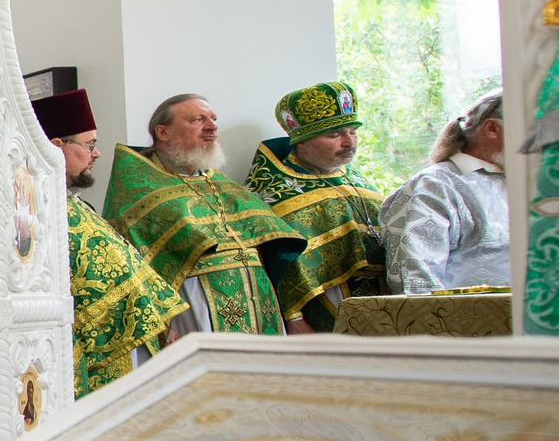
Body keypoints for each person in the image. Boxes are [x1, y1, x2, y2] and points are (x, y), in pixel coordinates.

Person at [101, 94, 300, 336]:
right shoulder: (137, 190)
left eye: (213, 119)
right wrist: (157, 324)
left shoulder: (221, 183)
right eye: (197, 120)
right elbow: (131, 262)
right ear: (163, 132)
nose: (212, 127)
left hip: (260, 305)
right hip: (194, 306)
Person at [34, 89, 183, 395]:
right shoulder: (34, 205)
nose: (96, 153)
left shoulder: (71, 203)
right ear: (55, 146)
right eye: (89, 145)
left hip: (127, 339)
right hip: (87, 349)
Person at [245, 82, 387, 331]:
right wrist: (294, 319)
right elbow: (273, 264)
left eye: (352, 131)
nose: (349, 142)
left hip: (385, 302)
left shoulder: (359, 181)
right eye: (334, 135)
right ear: (301, 142)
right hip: (324, 310)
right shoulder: (273, 191)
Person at [383, 92, 509, 294]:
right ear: (492, 128)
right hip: (471, 323)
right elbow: (416, 283)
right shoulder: (434, 186)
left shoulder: (529, 187)